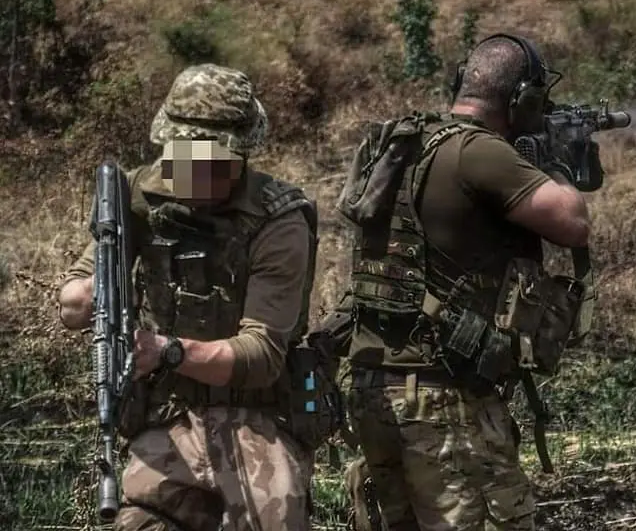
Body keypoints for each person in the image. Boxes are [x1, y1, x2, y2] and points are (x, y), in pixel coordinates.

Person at [329, 33, 592, 531]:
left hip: (372, 385)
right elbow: (572, 223)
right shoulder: (479, 152)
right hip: (443, 398)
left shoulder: (404, 143)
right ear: (523, 100)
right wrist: (557, 159)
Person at [56, 64, 323, 531]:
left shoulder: (277, 220)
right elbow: (73, 303)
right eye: (183, 157)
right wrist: (91, 293)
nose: (193, 173)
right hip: (168, 413)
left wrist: (167, 351)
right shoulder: (137, 196)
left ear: (240, 155)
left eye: (210, 162)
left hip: (256, 414)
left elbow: (262, 356)